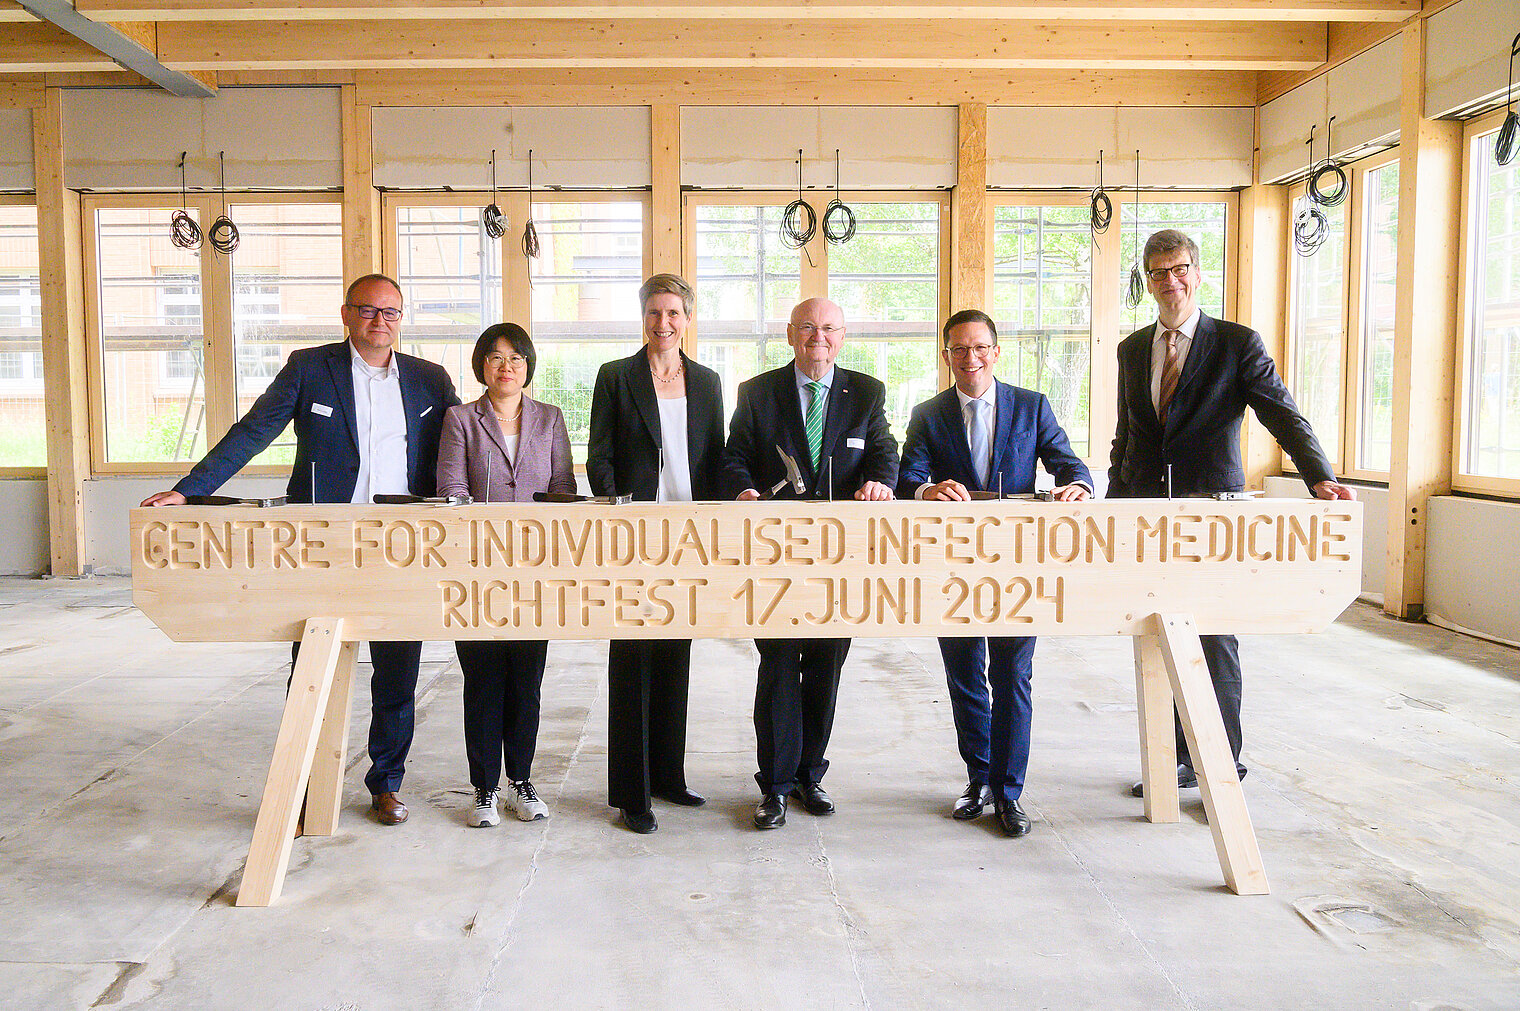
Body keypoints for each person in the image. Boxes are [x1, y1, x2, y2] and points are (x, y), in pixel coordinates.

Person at [141, 273, 459, 826]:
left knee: (398, 668)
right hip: (322, 541)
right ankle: (309, 783)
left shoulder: (430, 379)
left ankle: (386, 782)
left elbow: (467, 438)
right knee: (314, 665)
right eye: (367, 310)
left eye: (391, 313)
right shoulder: (310, 368)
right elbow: (253, 430)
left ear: (401, 319)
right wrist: (191, 490)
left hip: (403, 541)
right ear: (345, 313)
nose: (379, 321)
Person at [1109, 229, 1355, 797]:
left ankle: (1219, 758)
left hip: (1211, 513)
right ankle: (1171, 758)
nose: (1169, 281)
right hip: (1144, 512)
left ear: (1197, 273)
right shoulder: (1131, 348)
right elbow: (1128, 431)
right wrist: (1115, 504)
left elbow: (1282, 413)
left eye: (1179, 269)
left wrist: (1319, 476)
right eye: (1157, 272)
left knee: (1213, 635)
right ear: (1147, 282)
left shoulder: (1236, 344)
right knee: (1153, 634)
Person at [896, 308, 1092, 838]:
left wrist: (1078, 487)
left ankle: (1008, 792)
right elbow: (907, 473)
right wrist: (926, 490)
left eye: (979, 347)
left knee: (1011, 675)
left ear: (996, 351)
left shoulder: (1031, 406)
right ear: (946, 357)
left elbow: (1069, 463)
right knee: (964, 676)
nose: (970, 358)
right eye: (958, 349)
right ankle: (977, 778)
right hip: (952, 564)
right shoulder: (928, 412)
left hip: (1015, 565)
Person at [720, 297, 898, 830]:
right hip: (775, 555)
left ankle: (809, 776)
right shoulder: (757, 392)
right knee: (778, 667)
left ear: (841, 337)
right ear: (790, 335)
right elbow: (735, 455)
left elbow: (884, 450)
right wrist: (744, 490)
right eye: (807, 328)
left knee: (826, 667)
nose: (817, 337)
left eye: (828, 329)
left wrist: (881, 482)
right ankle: (773, 787)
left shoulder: (866, 392)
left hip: (841, 559)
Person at [587, 274, 726, 835]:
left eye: (673, 313)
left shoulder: (709, 382)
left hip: (689, 535)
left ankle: (669, 774)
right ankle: (632, 791)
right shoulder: (616, 376)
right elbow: (599, 454)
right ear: (642, 318)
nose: (662, 323)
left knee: (676, 657)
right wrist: (618, 512)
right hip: (634, 534)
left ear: (688, 319)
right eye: (653, 313)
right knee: (633, 660)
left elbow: (717, 456)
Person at [436, 323, 574, 828]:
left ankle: (521, 780)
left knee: (527, 682)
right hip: (476, 570)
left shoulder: (551, 419)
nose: (506, 366)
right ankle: (484, 790)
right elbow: (451, 488)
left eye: (516, 358)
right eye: (495, 358)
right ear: (482, 366)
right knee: (483, 680)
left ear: (527, 367)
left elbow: (562, 488)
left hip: (536, 571)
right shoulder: (460, 420)